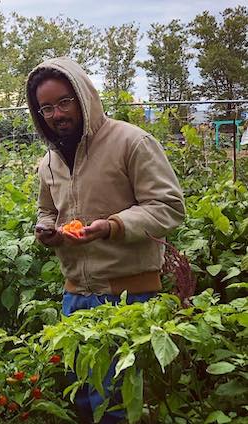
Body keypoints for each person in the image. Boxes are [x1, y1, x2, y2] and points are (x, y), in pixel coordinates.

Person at [27, 57, 185, 423]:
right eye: (46, 107)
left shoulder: (131, 141)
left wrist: (112, 226)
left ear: (83, 97)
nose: (56, 114)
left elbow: (169, 206)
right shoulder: (49, 161)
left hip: (128, 297)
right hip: (75, 298)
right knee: (81, 399)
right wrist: (46, 230)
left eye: (64, 101)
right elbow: (46, 210)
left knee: (116, 408)